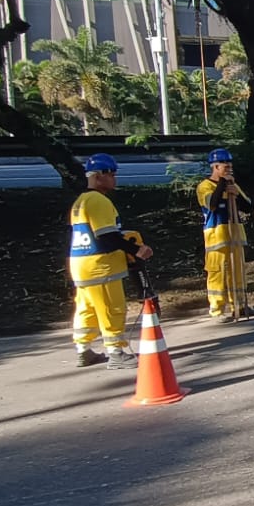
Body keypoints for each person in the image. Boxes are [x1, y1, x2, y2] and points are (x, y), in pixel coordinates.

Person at [68, 153, 153, 369]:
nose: (115, 179)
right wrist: (136, 249)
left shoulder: (80, 201)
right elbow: (107, 236)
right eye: (111, 175)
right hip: (100, 265)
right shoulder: (98, 201)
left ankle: (83, 350)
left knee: (86, 308)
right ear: (98, 177)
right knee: (111, 307)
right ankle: (116, 351)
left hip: (81, 263)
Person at [196, 148, 253, 322]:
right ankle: (217, 310)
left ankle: (239, 305)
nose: (229, 168)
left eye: (230, 165)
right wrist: (222, 185)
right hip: (216, 236)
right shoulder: (204, 186)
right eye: (225, 165)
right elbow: (212, 204)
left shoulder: (232, 185)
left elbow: (248, 206)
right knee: (218, 273)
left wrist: (235, 192)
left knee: (237, 271)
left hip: (234, 234)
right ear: (215, 167)